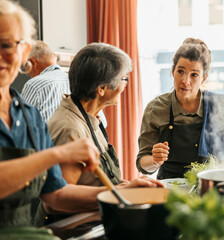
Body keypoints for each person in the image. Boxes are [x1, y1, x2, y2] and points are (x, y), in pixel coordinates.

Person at [0, 0, 159, 229]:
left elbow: (56, 195)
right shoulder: (68, 128)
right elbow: (54, 208)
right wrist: (57, 154)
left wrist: (123, 190)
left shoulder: (29, 118)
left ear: (24, 52)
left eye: (7, 45)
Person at [48, 42, 163, 191]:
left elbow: (95, 180)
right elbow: (60, 198)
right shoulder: (70, 129)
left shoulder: (91, 116)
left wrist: (127, 185)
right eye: (123, 79)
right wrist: (121, 191)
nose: (125, 85)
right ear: (101, 88)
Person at [136, 38, 224, 179]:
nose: (185, 81)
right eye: (180, 71)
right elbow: (142, 162)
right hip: (170, 189)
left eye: (194, 75)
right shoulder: (156, 109)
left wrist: (216, 172)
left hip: (211, 185)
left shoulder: (222, 106)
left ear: (204, 78)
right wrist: (155, 160)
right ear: (172, 71)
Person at [20, 40, 107, 126]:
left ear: (32, 63)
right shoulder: (78, 81)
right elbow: (102, 123)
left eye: (25, 67)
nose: (28, 73)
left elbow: (20, 126)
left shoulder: (34, 85)